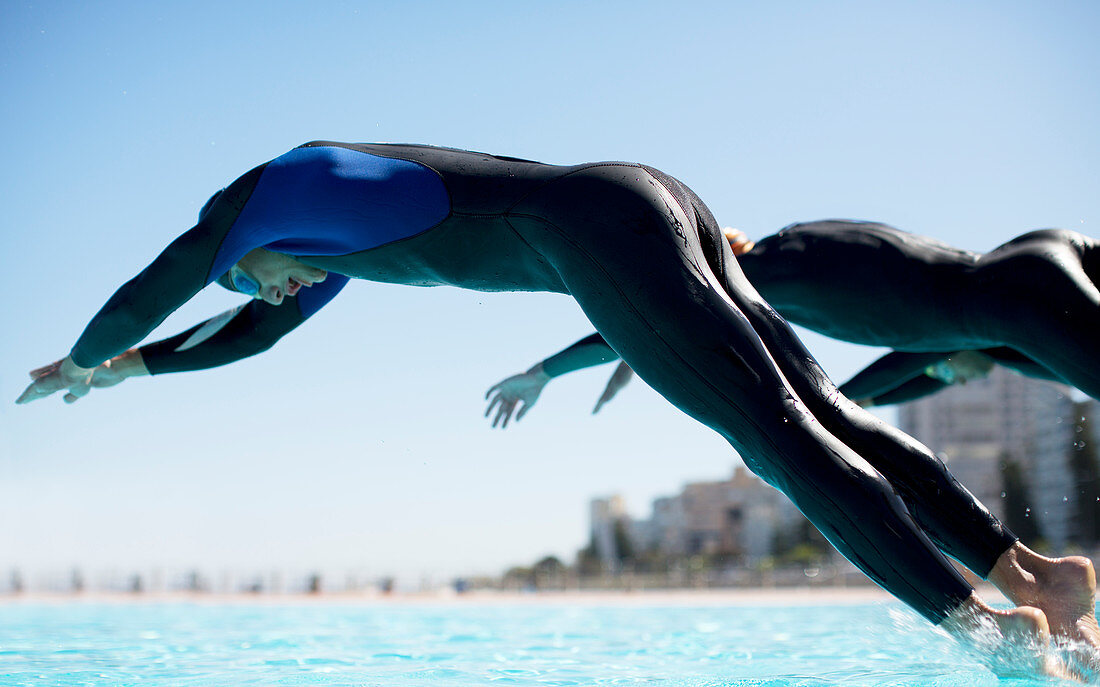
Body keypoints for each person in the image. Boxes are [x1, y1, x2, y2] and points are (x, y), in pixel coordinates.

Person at [15, 142, 1095, 673]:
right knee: (820, 409)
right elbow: (243, 338)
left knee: (772, 438)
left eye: (256, 278)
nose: (279, 294)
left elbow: (147, 290)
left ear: (236, 250)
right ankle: (1034, 574)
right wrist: (134, 372)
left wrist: (82, 357)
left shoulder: (249, 205)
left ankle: (986, 634)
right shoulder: (325, 245)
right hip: (639, 197)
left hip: (592, 234)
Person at [485, 221, 1100, 422]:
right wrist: (631, 353)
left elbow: (659, 315)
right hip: (1035, 269)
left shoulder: (767, 268)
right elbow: (869, 395)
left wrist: (544, 371)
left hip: (1024, 296)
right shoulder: (958, 337)